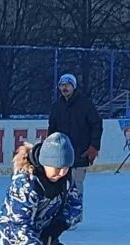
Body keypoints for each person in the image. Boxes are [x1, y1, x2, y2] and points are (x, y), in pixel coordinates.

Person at [48, 73, 103, 223]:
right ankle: (60, 214)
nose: (64, 88)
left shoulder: (85, 104)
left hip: (80, 152)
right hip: (61, 154)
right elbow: (52, 129)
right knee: (60, 185)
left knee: (76, 185)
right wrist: (49, 148)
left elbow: (97, 125)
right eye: (61, 85)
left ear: (74, 87)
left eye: (67, 85)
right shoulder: (56, 106)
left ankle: (75, 215)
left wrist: (93, 147)